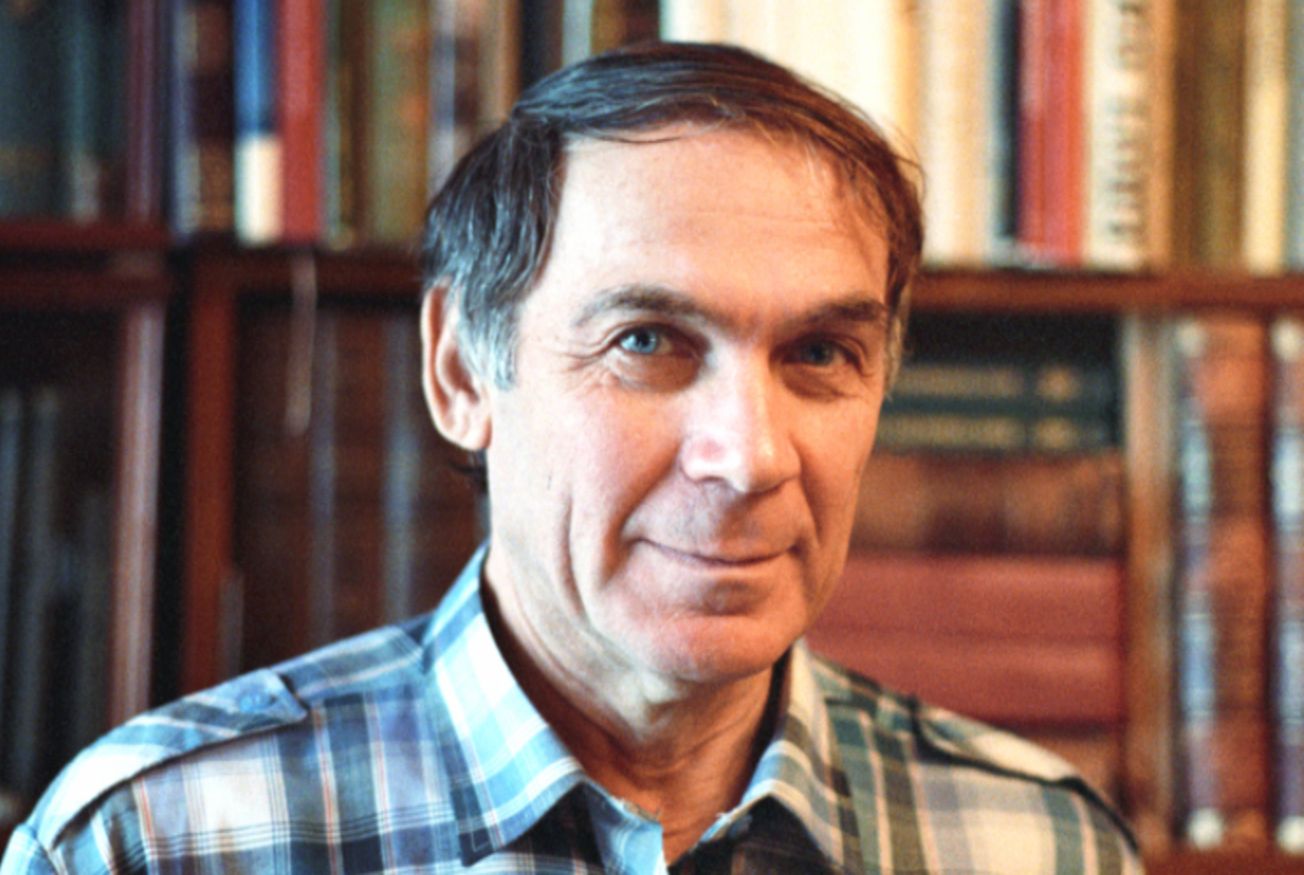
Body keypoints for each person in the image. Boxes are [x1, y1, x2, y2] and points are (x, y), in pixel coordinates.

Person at [2, 42, 1141, 874]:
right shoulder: (155, 844)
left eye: (819, 352)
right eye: (646, 342)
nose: (748, 457)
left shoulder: (1041, 843)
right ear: (461, 373)